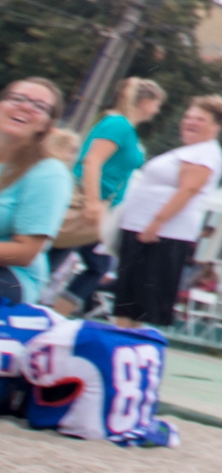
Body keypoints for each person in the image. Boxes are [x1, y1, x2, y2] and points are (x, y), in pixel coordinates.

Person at [51, 77, 166, 316]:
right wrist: (92, 202)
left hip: (101, 205)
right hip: (89, 201)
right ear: (144, 102)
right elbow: (92, 160)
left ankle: (54, 312)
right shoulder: (119, 125)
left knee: (73, 256)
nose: (157, 110)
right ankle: (53, 313)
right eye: (156, 104)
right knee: (82, 260)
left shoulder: (124, 128)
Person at [113, 95, 222, 327]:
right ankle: (121, 341)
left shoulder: (204, 153)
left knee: (139, 305)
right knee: (128, 301)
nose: (191, 122)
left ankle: (126, 347)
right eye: (188, 117)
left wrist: (156, 223)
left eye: (200, 119)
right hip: (142, 228)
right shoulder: (188, 151)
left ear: (215, 127)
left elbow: (188, 189)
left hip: (161, 235)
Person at [0, 78, 74, 304]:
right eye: (18, 99)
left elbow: (26, 252)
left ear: (46, 124)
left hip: (12, 277)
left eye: (39, 107)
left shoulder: (48, 173)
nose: (25, 107)